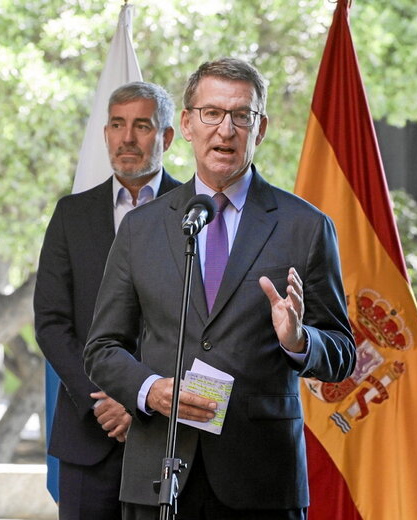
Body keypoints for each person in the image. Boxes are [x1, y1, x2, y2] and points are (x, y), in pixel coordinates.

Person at [83, 58, 357, 519]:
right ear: (187, 124)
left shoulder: (305, 227)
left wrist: (298, 340)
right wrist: (149, 389)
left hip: (262, 480)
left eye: (241, 116)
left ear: (261, 128)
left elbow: (342, 353)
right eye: (211, 113)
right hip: (159, 475)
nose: (225, 130)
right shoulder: (141, 228)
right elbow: (102, 348)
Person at [34, 81, 182, 520]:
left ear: (168, 137)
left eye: (142, 125)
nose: (127, 138)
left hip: (169, 434)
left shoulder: (196, 210)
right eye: (117, 125)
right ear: (105, 134)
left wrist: (142, 396)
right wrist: (105, 399)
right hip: (90, 429)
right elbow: (52, 323)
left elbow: (201, 326)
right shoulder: (71, 215)